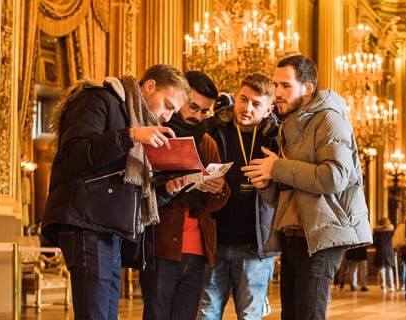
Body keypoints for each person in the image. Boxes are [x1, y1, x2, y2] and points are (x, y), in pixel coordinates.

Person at [42, 64, 192, 320]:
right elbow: (74, 155)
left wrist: (166, 190)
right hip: (86, 222)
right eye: (167, 104)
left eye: (173, 111)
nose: (167, 116)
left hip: (110, 228)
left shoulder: (136, 121)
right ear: (149, 87)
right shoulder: (99, 99)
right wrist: (130, 136)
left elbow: (127, 185)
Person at [242, 54, 372, 319]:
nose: (277, 92)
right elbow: (291, 194)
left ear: (307, 89)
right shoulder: (291, 126)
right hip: (294, 236)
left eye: (285, 86)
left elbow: (334, 177)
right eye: (275, 85)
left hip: (321, 238)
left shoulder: (329, 120)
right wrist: (267, 182)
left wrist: (277, 168)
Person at [139, 71, 230, 320]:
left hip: (199, 249)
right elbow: (140, 189)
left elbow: (219, 200)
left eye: (204, 111)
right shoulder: (154, 134)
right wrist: (167, 186)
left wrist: (218, 187)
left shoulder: (207, 142)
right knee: (157, 314)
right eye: (193, 107)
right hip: (161, 245)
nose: (198, 116)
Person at [198, 72, 280, 320]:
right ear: (235, 97)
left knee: (249, 315)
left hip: (256, 245)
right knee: (206, 313)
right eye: (243, 100)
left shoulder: (277, 139)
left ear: (268, 109)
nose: (246, 108)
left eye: (256, 104)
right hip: (215, 241)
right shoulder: (212, 130)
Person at [373, 217, 396, 292]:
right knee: (389, 269)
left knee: (382, 269)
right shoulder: (391, 231)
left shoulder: (377, 231)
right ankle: (391, 286)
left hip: (380, 251)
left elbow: (374, 242)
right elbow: (394, 241)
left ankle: (383, 286)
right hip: (389, 251)